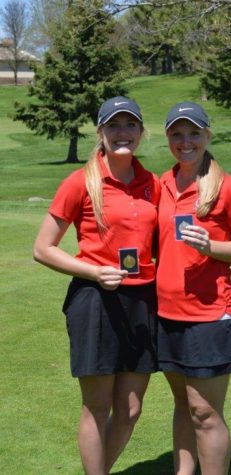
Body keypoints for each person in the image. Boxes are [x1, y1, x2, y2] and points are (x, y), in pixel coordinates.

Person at [33, 96, 160, 475]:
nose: (123, 133)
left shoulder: (152, 183)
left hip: (142, 299)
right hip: (95, 299)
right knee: (97, 406)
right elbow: (43, 248)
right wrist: (93, 271)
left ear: (141, 131)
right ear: (100, 131)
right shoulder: (79, 182)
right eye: (114, 125)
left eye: (131, 125)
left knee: (130, 409)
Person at [156, 102, 231, 475]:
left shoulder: (227, 187)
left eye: (194, 133)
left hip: (210, 316)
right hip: (166, 315)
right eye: (177, 134)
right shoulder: (162, 184)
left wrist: (210, 247)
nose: (186, 141)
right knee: (183, 405)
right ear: (168, 138)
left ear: (207, 136)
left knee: (205, 411)